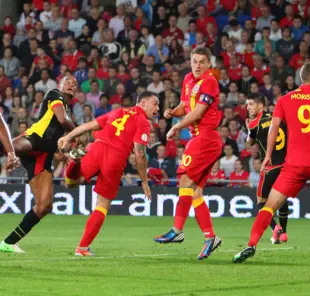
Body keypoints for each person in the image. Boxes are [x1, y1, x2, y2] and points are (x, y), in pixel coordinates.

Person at [233, 62, 310, 265]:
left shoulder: (285, 100)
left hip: (294, 162)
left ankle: (251, 244)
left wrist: (267, 154)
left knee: (269, 205)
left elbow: (273, 129)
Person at [57, 92, 159, 256]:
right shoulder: (143, 122)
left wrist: (68, 136)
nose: (157, 108)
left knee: (70, 184)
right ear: (144, 103)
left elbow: (89, 125)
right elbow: (140, 154)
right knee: (102, 205)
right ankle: (82, 248)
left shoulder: (118, 111)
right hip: (115, 158)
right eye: (155, 104)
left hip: (97, 148)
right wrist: (145, 182)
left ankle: (75, 162)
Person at [153, 47, 223, 260]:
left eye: (202, 62)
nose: (198, 66)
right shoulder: (188, 79)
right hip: (200, 139)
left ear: (209, 64)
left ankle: (176, 230)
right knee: (195, 192)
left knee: (184, 181)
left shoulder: (210, 81)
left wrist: (176, 126)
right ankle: (210, 237)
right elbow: (187, 105)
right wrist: (174, 111)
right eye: (194, 61)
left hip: (205, 138)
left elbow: (199, 112)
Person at [0, 76, 77, 253]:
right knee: (21, 145)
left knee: (45, 205)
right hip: (33, 141)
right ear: (60, 85)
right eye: (69, 82)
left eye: (75, 84)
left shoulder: (68, 108)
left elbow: (55, 134)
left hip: (44, 156)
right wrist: (78, 132)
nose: (72, 85)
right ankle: (11, 153)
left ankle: (9, 242)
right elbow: (62, 120)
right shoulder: (54, 94)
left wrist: (60, 153)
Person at [245, 92, 290, 244]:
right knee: (282, 199)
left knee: (261, 203)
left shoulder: (254, 124)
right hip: (285, 165)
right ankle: (283, 234)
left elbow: (250, 144)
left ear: (260, 105)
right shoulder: (279, 118)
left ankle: (275, 228)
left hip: (270, 167)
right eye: (247, 104)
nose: (248, 108)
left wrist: (249, 130)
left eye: (251, 104)